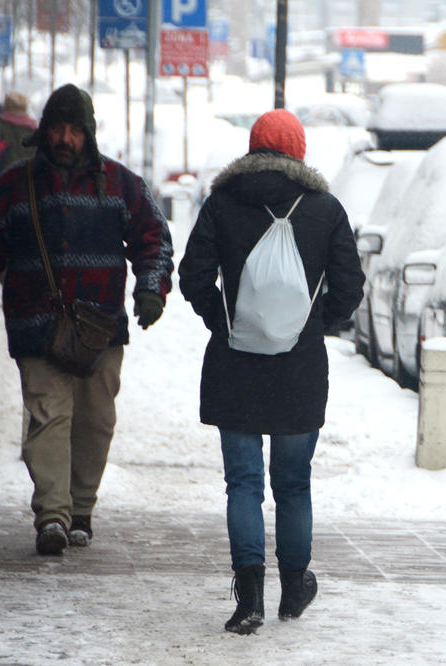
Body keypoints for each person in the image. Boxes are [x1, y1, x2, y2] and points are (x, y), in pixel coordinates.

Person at [0, 83, 174, 556]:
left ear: (89, 134)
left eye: (75, 130)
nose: (65, 138)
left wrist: (151, 288)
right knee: (48, 418)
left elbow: (153, 237)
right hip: (35, 322)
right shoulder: (15, 186)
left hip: (98, 328)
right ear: (44, 131)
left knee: (95, 420)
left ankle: (80, 510)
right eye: (58, 127)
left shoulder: (120, 185)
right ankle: (52, 517)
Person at [178, 109, 364, 634]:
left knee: (242, 483)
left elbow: (193, 274)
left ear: (253, 148)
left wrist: (224, 320)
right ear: (299, 151)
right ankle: (294, 589)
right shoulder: (325, 209)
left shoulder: (223, 202)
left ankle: (250, 596)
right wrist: (314, 325)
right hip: (299, 368)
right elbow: (350, 287)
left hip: (235, 362)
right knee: (293, 484)